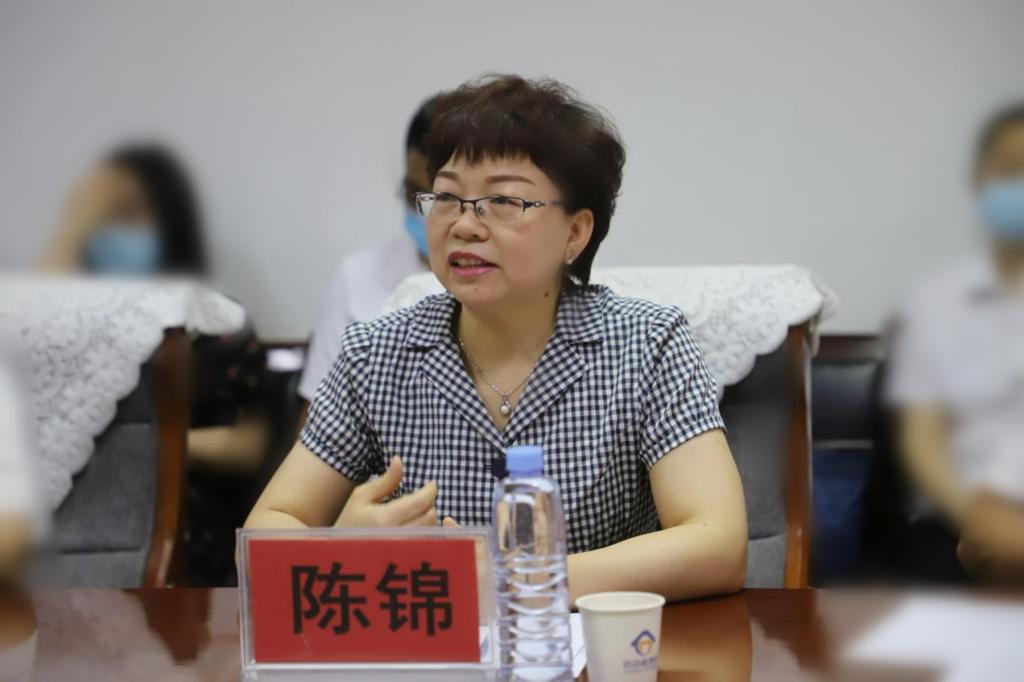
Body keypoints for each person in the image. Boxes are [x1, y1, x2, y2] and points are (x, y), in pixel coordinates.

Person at [246, 75, 748, 604]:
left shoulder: (647, 345)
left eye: (504, 200)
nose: (464, 225)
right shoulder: (374, 355)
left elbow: (717, 544)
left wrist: (512, 580)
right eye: (447, 197)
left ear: (575, 233)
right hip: (435, 645)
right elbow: (265, 533)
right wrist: (342, 551)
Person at [887, 103, 1024, 585]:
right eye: (1009, 170)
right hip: (954, 526)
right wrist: (980, 520)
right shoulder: (937, 304)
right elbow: (921, 441)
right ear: (980, 180)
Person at [296, 98, 438, 421]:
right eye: (412, 194)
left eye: (435, 200)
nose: (422, 212)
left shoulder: (509, 284)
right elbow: (314, 426)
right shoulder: (357, 276)